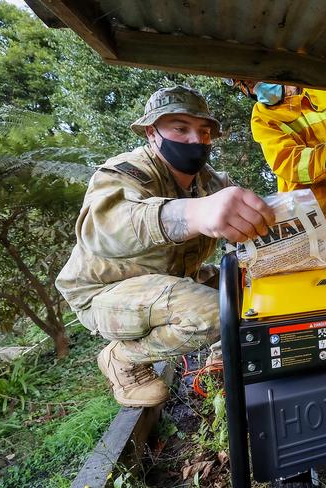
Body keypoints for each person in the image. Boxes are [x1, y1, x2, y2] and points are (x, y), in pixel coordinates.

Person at [55, 86, 275, 407]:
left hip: (174, 280)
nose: (195, 140)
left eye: (203, 131)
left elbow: (255, 223)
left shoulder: (211, 182)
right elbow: (102, 226)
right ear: (151, 132)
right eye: (180, 129)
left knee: (254, 286)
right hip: (103, 293)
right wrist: (194, 213)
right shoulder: (129, 171)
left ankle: (223, 350)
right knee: (215, 313)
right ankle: (123, 359)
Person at [228, 80, 326, 242]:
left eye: (256, 79)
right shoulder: (262, 118)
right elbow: (289, 162)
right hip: (312, 226)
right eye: (248, 84)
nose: (256, 88)